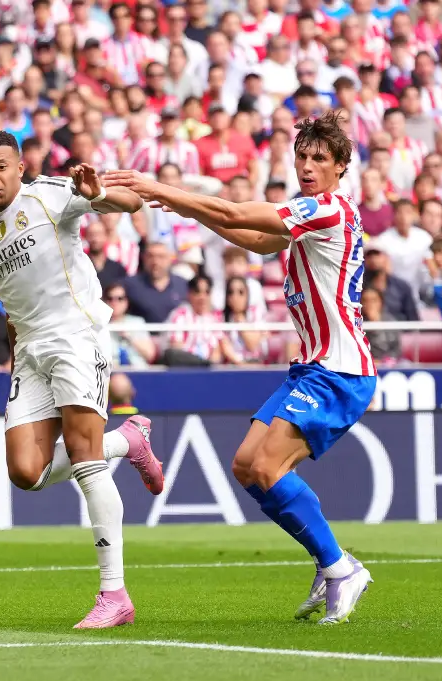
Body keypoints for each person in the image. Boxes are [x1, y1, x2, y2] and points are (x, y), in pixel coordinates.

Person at [105, 109, 375, 625]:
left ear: (342, 166)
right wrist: (185, 208)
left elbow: (235, 218)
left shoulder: (331, 210)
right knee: (248, 466)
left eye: (320, 158)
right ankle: (330, 562)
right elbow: (253, 238)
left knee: (268, 468)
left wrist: (162, 189)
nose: (308, 166)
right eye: (302, 156)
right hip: (313, 368)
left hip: (341, 370)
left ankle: (341, 566)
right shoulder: (306, 212)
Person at [0, 130, 162, 630]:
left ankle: (114, 594)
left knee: (84, 460)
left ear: (18, 167)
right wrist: (15, 355)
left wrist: (97, 192)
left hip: (77, 336)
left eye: (0, 167)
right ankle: (128, 439)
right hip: (30, 351)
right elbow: (13, 306)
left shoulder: (51, 194)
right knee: (25, 472)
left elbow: (131, 202)